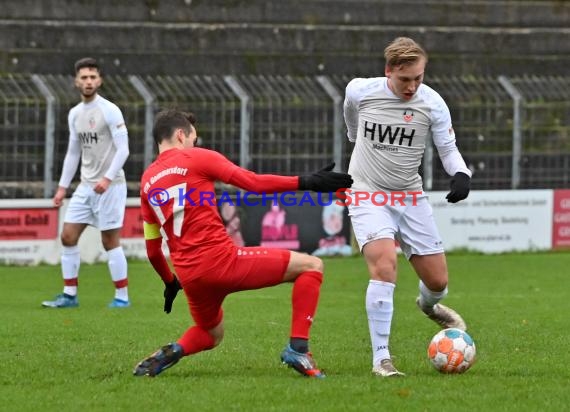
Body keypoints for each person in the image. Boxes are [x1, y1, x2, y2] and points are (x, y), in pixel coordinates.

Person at [133, 109, 353, 378]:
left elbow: (153, 250)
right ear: (181, 134)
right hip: (223, 262)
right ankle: (298, 348)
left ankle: (176, 350)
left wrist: (170, 282)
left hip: (190, 276)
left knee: (211, 333)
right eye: (193, 138)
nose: (195, 144)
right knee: (312, 266)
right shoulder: (197, 158)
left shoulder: (146, 182)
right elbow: (253, 183)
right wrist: (307, 181)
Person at [343, 37, 472, 377]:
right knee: (385, 265)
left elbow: (448, 147)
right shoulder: (361, 90)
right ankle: (381, 359)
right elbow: (349, 111)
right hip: (367, 192)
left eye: (419, 77)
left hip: (409, 195)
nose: (412, 86)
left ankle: (428, 305)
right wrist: (354, 135)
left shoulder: (433, 103)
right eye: (405, 79)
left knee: (438, 282)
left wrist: (460, 172)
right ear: (389, 71)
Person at [42, 57, 131, 309]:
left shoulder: (110, 110)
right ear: (76, 81)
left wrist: (107, 177)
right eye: (84, 77)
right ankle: (69, 295)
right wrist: (62, 187)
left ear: (100, 80)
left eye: (93, 77)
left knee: (109, 241)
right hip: (85, 186)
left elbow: (124, 150)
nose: (88, 81)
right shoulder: (75, 114)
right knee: (68, 236)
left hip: (111, 186)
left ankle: (122, 297)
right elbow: (73, 152)